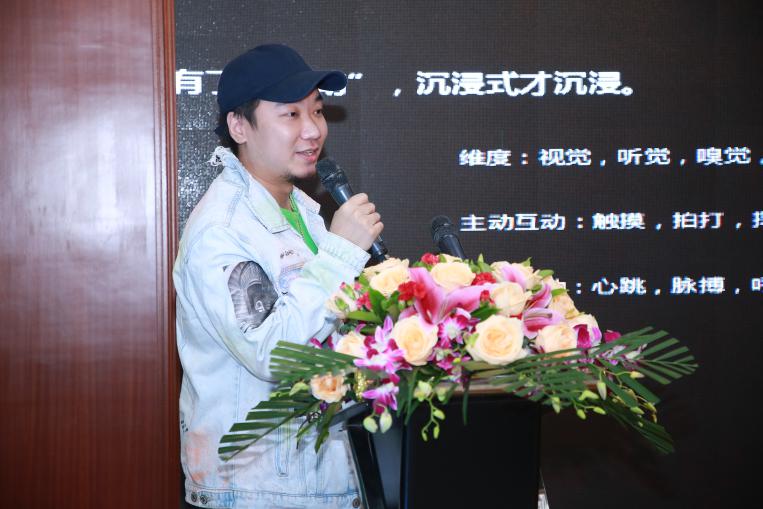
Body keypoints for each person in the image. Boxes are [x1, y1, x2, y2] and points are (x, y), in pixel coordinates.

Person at [173, 43, 383, 509]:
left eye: (318, 111)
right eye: (290, 114)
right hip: (255, 493)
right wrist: (341, 254)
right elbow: (273, 353)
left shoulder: (301, 212)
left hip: (316, 483)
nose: (313, 130)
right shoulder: (222, 230)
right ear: (239, 126)